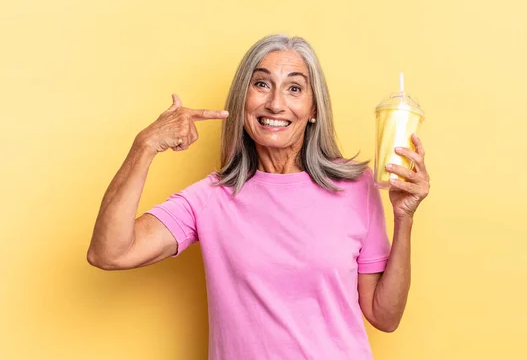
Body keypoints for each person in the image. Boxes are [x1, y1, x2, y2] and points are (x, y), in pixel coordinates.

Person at [87, 34, 430, 360]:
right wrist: (145, 146)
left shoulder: (356, 188)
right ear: (242, 100)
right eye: (262, 84)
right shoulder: (211, 198)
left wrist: (404, 218)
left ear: (313, 109)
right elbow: (109, 252)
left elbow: (385, 317)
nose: (276, 103)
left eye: (294, 88)